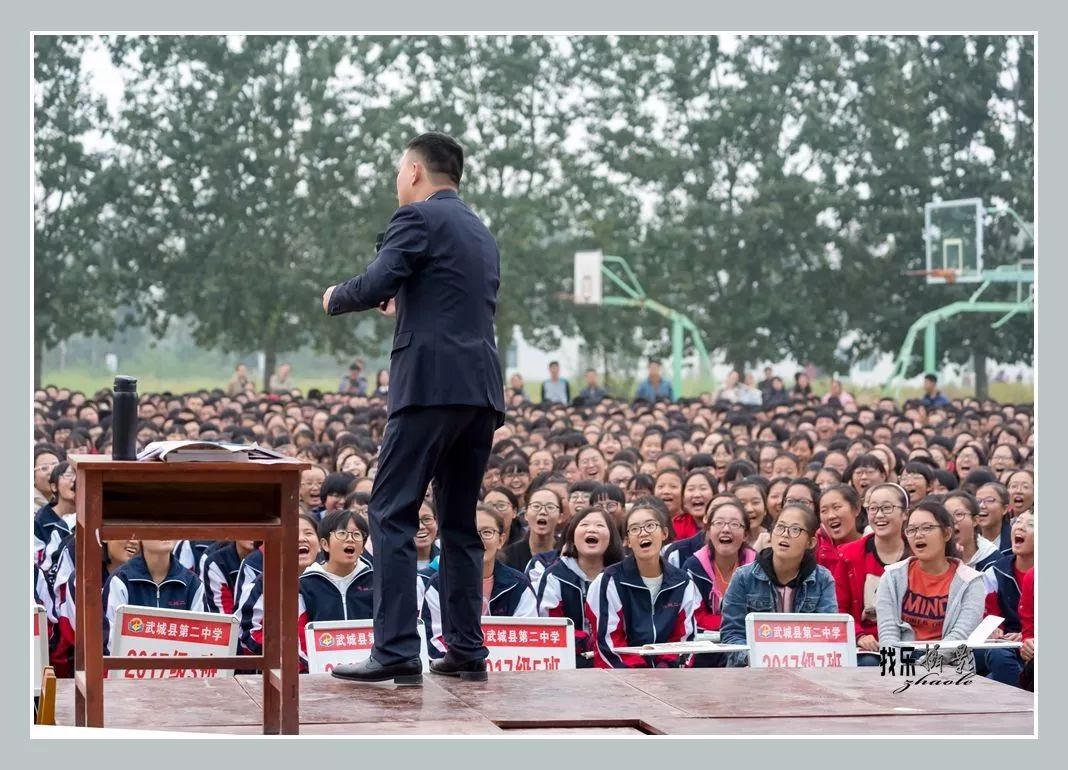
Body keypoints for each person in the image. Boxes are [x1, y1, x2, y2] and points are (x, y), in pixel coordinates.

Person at [322, 132, 506, 685]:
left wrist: (338, 295)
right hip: (479, 391)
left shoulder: (417, 218)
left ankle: (397, 648)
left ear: (417, 173)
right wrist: (405, 302)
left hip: (428, 387)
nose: (398, 181)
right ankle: (467, 650)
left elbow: (379, 277)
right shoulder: (480, 231)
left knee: (391, 512)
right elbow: (446, 298)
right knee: (457, 523)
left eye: (400, 171)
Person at [719, 503, 839, 666]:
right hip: (752, 671)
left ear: (810, 543)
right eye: (780, 527)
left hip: (806, 668)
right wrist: (756, 658)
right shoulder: (743, 578)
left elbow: (828, 634)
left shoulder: (822, 579)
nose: (785, 535)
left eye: (795, 530)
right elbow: (732, 634)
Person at [585, 499, 700, 668]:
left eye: (650, 526)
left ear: (664, 533)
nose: (643, 533)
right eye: (635, 529)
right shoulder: (609, 581)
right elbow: (608, 642)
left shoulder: (683, 583)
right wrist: (639, 675)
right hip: (623, 678)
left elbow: (685, 639)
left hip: (670, 680)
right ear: (628, 541)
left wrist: (666, 670)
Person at [423, 505, 538, 660]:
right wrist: (469, 664)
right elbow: (434, 641)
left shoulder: (519, 586)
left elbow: (529, 637)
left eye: (487, 532)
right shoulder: (439, 585)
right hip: (455, 674)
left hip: (509, 674)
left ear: (501, 540)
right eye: (471, 533)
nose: (478, 540)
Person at [875, 499, 986, 658]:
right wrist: (898, 668)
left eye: (927, 528)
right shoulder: (892, 577)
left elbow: (960, 635)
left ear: (947, 533)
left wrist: (927, 664)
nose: (918, 535)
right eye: (911, 530)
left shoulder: (971, 581)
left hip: (949, 667)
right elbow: (888, 633)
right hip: (902, 661)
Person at [535, 506, 625, 667]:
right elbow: (550, 627)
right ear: (571, 536)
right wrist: (589, 643)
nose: (591, 529)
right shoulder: (555, 576)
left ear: (612, 537)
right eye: (584, 525)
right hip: (569, 662)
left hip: (617, 661)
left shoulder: (622, 575)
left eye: (599, 525)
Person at [833, 483, 909, 663]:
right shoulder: (848, 556)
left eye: (887, 508)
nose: (879, 515)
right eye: (873, 508)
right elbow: (839, 608)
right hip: (867, 646)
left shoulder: (918, 553)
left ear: (905, 513)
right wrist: (858, 635)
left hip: (910, 641)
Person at [101, 539, 205, 655]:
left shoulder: (193, 584)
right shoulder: (120, 581)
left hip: (180, 671)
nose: (165, 532)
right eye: (156, 523)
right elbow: (111, 645)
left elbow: (201, 645)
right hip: (128, 670)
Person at [683, 499, 757, 632]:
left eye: (734, 524)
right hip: (706, 647)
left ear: (745, 534)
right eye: (719, 523)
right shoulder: (693, 567)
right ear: (709, 531)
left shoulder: (757, 567)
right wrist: (734, 622)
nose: (726, 529)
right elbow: (694, 617)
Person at [978, 510, 1034, 686]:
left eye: (1031, 525)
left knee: (991, 683)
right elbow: (989, 613)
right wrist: (994, 629)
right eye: (1017, 521)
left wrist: (1026, 637)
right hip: (1006, 645)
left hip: (1032, 645)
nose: (1020, 527)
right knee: (990, 653)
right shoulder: (996, 571)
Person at [944, 491, 1000, 571]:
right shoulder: (936, 557)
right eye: (947, 515)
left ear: (975, 520)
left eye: (959, 514)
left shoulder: (994, 561)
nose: (952, 520)